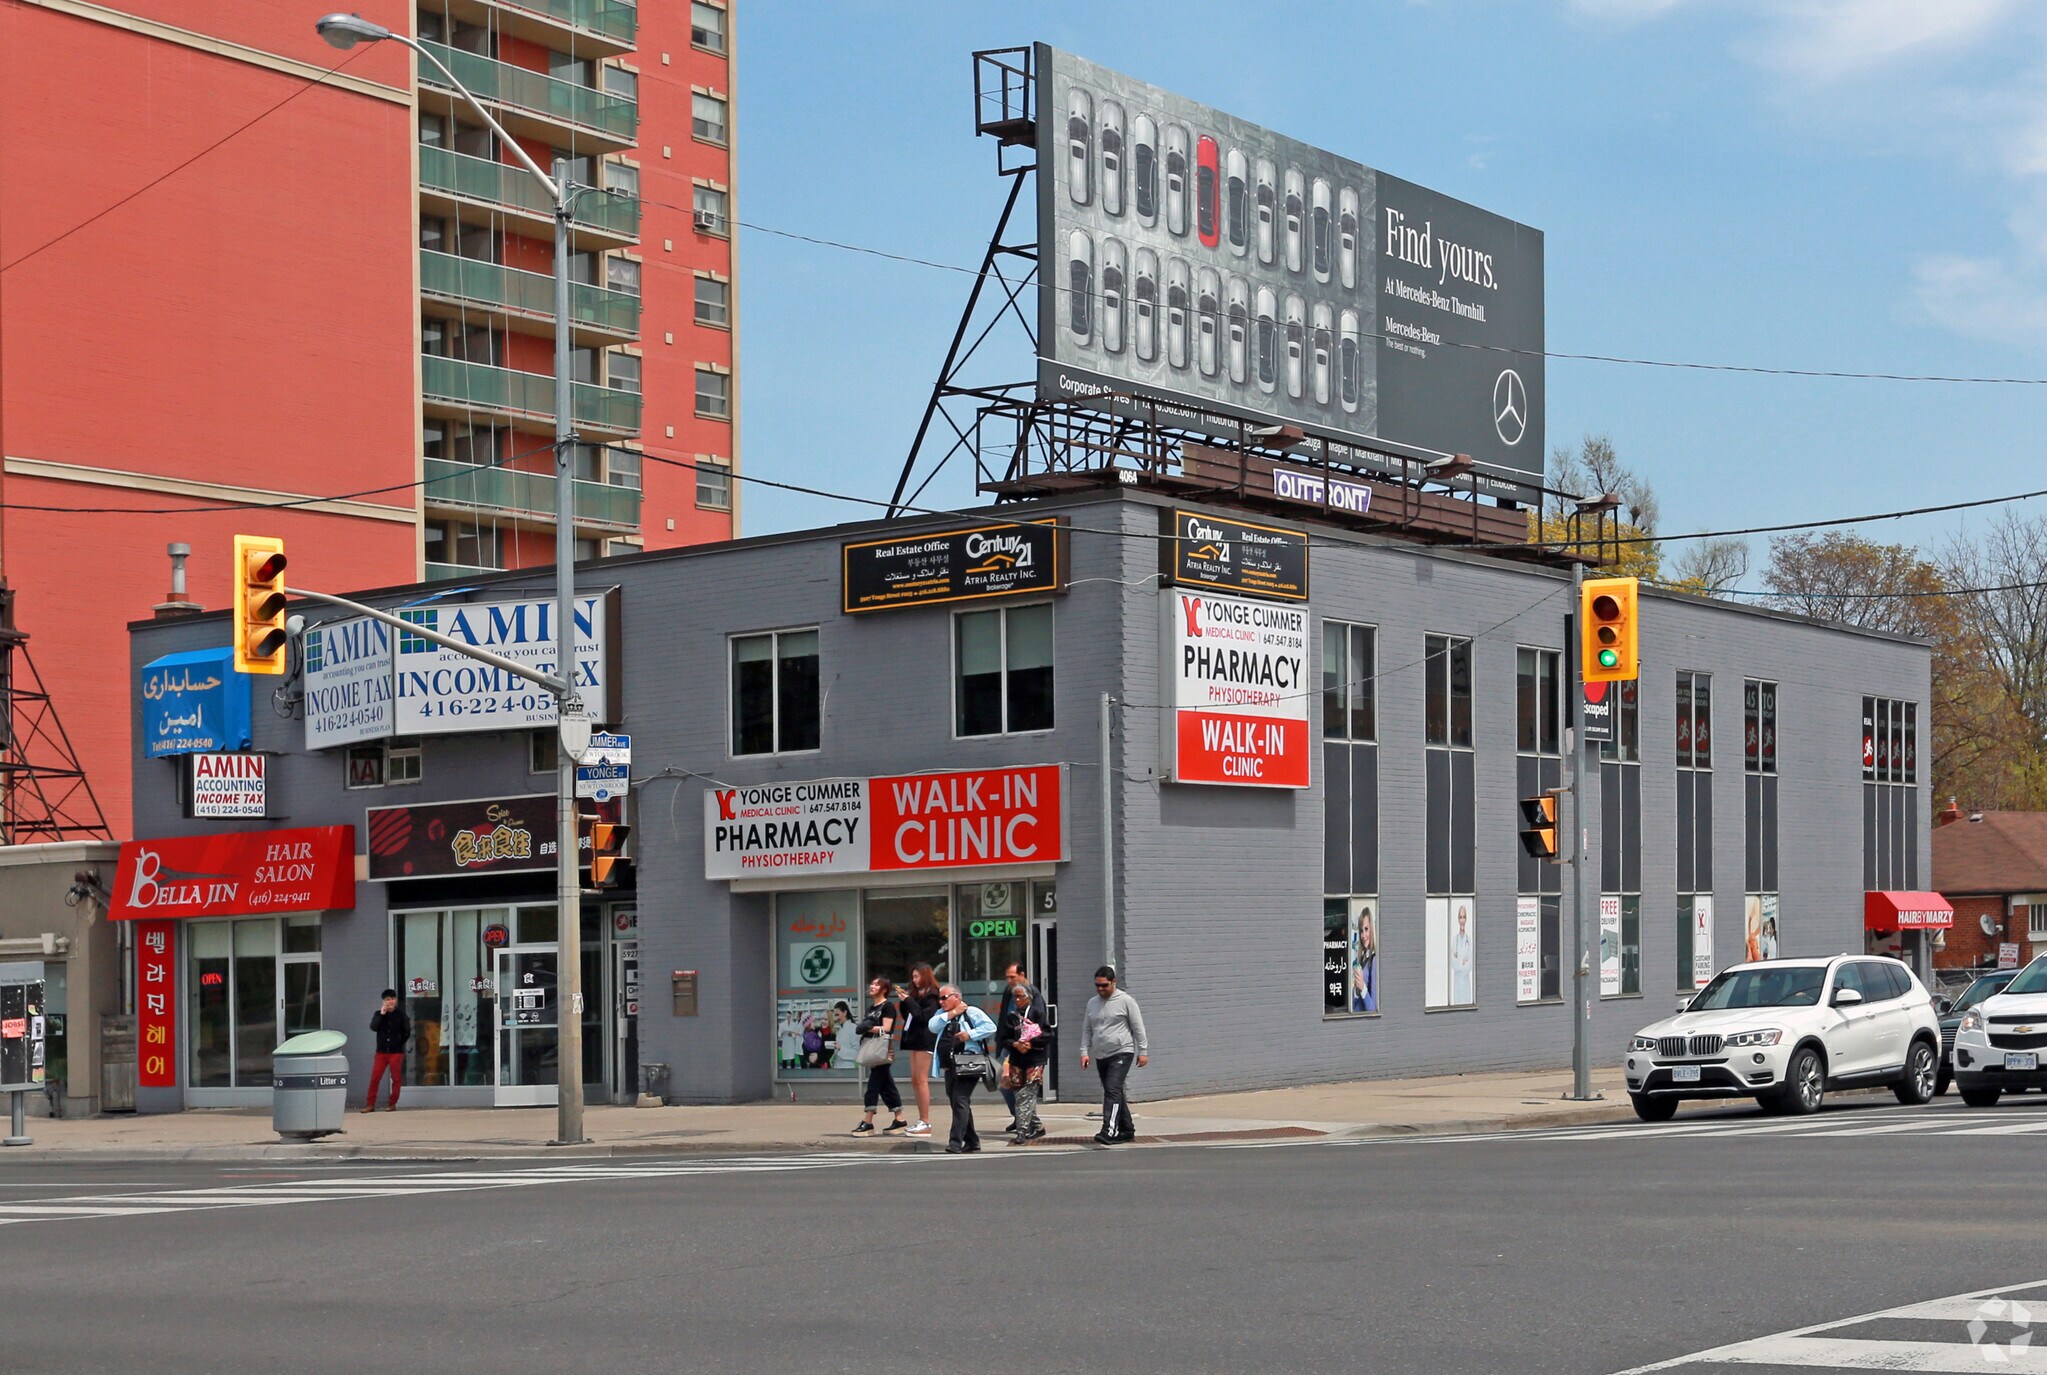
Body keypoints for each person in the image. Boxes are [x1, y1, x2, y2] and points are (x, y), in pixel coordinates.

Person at [1080, 966, 1148, 1145]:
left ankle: (1109, 1130)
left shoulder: (1126, 1001)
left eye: (1104, 985)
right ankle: (1127, 1129)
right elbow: (1087, 1029)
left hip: (1122, 1051)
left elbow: (1138, 1028)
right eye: (1097, 986)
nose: (1101, 989)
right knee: (1114, 1091)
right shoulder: (1092, 1003)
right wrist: (1084, 1052)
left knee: (1112, 1089)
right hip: (1101, 1054)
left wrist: (1143, 1052)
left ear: (1113, 982)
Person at [930, 984, 996, 1154]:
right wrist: (952, 1013)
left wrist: (970, 1035)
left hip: (968, 1063)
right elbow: (932, 1026)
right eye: (940, 998)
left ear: (956, 997)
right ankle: (972, 1140)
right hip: (949, 1065)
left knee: (960, 1100)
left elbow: (990, 1027)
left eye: (944, 997)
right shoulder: (942, 1015)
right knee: (957, 1101)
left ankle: (955, 1143)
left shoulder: (971, 1012)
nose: (941, 1001)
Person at [852, 977, 908, 1136]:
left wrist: (869, 1027)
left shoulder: (888, 1006)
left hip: (882, 1049)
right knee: (886, 1086)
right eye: (872, 983)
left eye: (877, 984)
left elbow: (887, 1028)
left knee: (873, 1085)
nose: (872, 986)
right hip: (871, 1048)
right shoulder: (871, 1008)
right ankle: (900, 1119)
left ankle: (868, 1120)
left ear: (884, 989)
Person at [999, 978, 1050, 1144]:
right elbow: (1004, 1037)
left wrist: (1031, 1043)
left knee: (1026, 1094)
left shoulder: (1037, 1013)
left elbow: (1048, 1035)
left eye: (1020, 997)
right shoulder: (1012, 1017)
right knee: (1020, 1093)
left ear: (1028, 997)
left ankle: (1021, 1131)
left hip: (1035, 1059)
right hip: (1017, 1059)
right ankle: (1037, 1126)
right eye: (1015, 997)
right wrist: (1015, 1044)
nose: (1017, 1000)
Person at [897, 964, 943, 1138]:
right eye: (913, 977)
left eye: (917, 976)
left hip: (925, 1039)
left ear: (925, 976)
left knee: (921, 1079)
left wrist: (908, 1000)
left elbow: (923, 1016)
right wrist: (904, 1001)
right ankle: (921, 1120)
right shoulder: (916, 994)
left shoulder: (933, 995)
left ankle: (925, 1120)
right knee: (915, 1079)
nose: (914, 980)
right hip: (913, 1038)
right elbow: (909, 1014)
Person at [365, 988, 409, 1112]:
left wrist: (399, 1043)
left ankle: (392, 1103)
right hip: (381, 1052)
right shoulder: (378, 1014)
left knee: (396, 1078)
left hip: (396, 1052)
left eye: (393, 999)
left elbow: (407, 1032)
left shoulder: (401, 1016)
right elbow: (373, 1027)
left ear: (396, 1000)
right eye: (388, 999)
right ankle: (370, 1104)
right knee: (375, 1077)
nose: (390, 1002)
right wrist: (382, 1014)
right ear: (384, 1001)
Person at [997, 961, 1029, 1129]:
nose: (1009, 980)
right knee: (1002, 1081)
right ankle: (1018, 1116)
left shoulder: (1031, 993)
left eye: (1012, 977)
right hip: (1008, 1044)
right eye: (1007, 977)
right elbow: (1003, 1017)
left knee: (1022, 1085)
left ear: (1022, 975)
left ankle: (1025, 1120)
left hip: (1023, 1046)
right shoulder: (1008, 992)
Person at [1350, 908, 1378, 1014]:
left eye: (1366, 929)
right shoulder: (1361, 959)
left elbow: (1373, 1011)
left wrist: (1362, 987)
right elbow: (1353, 1006)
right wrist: (1356, 991)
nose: (1363, 935)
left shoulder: (1374, 961)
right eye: (1361, 930)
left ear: (1372, 929)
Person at [1451, 906, 1474, 1005]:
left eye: (1464, 917)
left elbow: (1470, 965)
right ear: (1457, 919)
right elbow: (1453, 964)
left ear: (1466, 919)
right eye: (1460, 917)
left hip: (1465, 982)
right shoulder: (1454, 940)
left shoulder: (1469, 940)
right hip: (1457, 982)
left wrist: (1458, 960)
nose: (1462, 920)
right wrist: (1462, 962)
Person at [829, 1001, 861, 1072]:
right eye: (835, 1015)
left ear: (845, 1013)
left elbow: (856, 1053)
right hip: (838, 1067)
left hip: (848, 1068)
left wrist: (840, 1048)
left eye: (837, 1015)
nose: (836, 1018)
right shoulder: (840, 1029)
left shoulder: (853, 1028)